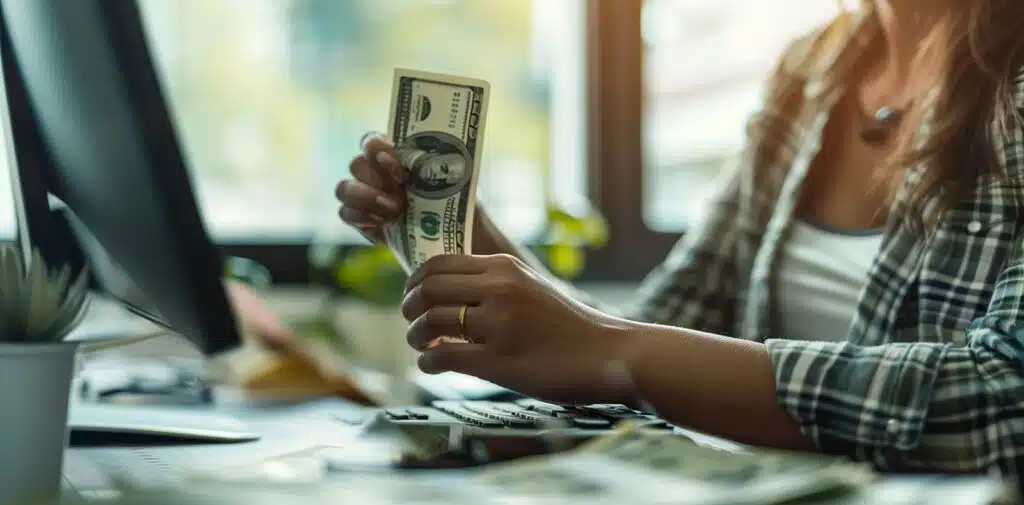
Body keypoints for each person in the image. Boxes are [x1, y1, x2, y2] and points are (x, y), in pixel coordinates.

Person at [335, 0, 1024, 475]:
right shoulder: (816, 69)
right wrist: (477, 243)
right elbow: (661, 332)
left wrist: (611, 347)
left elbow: (1001, 398)